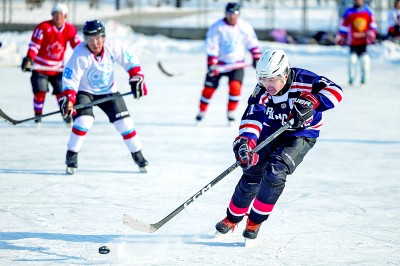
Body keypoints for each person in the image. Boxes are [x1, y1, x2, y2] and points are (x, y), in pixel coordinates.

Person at [214, 49, 343, 241]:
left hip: (301, 134)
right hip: (271, 132)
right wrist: (245, 142)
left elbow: (335, 91)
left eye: (272, 79)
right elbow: (253, 116)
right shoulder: (262, 91)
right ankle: (232, 218)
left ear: (284, 73)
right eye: (263, 78)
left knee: (276, 171)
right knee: (251, 172)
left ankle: (255, 221)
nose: (267, 84)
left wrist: (313, 101)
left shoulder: (305, 79)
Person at [59, 20, 149, 175]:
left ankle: (138, 155)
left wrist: (136, 77)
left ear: (104, 37)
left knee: (125, 123)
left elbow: (131, 60)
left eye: (98, 38)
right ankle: (72, 155)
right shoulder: (80, 54)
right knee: (84, 121)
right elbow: (71, 78)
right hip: (84, 92)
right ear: (85, 40)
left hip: (108, 91)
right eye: (90, 39)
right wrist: (69, 98)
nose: (95, 43)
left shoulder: (114, 46)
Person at [195, 2, 261, 124]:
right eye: (229, 13)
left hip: (236, 65)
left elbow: (252, 42)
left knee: (235, 88)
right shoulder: (217, 27)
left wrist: (256, 57)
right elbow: (212, 45)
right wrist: (212, 63)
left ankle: (231, 113)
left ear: (238, 14)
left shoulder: (244, 26)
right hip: (219, 65)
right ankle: (201, 111)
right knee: (208, 89)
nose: (231, 16)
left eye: (234, 13)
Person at [21, 3, 81, 126]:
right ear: (52, 15)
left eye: (61, 14)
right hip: (40, 68)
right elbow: (35, 45)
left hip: (57, 69)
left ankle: (67, 117)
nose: (58, 17)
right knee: (40, 92)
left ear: (65, 16)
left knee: (62, 93)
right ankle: (38, 117)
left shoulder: (70, 29)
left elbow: (78, 46)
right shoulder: (43, 27)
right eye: (56, 14)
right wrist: (29, 58)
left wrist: (86, 57)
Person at [336, 0, 376, 87]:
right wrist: (341, 36)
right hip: (353, 41)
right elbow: (344, 26)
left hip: (363, 42)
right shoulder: (349, 12)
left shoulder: (368, 11)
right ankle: (351, 79)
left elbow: (372, 25)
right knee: (352, 60)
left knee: (365, 61)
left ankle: (363, 80)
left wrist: (371, 34)